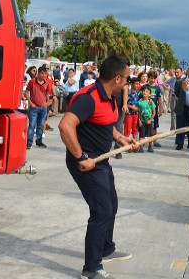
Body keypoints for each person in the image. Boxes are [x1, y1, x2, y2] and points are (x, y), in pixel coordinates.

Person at [58, 55, 137, 279]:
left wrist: (120, 138)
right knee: (102, 211)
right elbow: (65, 126)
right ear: (118, 78)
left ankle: (106, 249)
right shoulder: (88, 97)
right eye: (127, 79)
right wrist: (81, 156)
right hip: (86, 163)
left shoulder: (110, 96)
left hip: (101, 160)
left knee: (111, 205)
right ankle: (91, 268)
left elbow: (104, 123)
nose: (128, 83)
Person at [24, 66, 53, 149]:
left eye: (45, 74)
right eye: (42, 73)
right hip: (34, 107)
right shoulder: (32, 82)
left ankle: (39, 141)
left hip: (43, 107)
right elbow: (26, 92)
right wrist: (30, 102)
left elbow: (47, 93)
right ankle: (29, 142)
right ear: (38, 74)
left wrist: (47, 103)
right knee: (32, 125)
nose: (43, 75)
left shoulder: (47, 83)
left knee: (40, 125)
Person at [174, 64, 189, 150]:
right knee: (180, 126)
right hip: (182, 107)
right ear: (187, 71)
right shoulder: (180, 82)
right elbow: (177, 93)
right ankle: (180, 143)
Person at [141, 71, 163, 147]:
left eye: (154, 78)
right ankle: (143, 140)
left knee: (154, 126)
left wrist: (160, 110)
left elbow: (159, 100)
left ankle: (154, 141)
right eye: (151, 78)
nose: (153, 80)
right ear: (148, 78)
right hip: (144, 110)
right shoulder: (144, 87)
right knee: (144, 125)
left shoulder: (157, 88)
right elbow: (140, 98)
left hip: (154, 111)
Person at [137, 86, 156, 153]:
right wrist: (139, 120)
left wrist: (150, 120)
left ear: (149, 94)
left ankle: (150, 146)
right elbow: (138, 112)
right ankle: (141, 147)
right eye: (144, 91)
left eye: (147, 92)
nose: (145, 92)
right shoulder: (139, 102)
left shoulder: (151, 102)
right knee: (141, 134)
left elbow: (154, 112)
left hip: (150, 121)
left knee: (150, 135)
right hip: (142, 121)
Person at [124, 78, 142, 145]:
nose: (138, 85)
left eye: (138, 84)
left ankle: (135, 144)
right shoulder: (128, 92)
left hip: (136, 114)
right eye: (136, 84)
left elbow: (145, 99)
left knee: (135, 129)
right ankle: (126, 144)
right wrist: (132, 107)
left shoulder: (139, 93)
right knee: (127, 129)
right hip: (129, 113)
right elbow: (125, 103)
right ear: (131, 84)